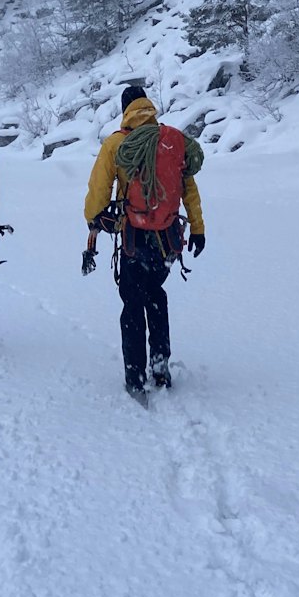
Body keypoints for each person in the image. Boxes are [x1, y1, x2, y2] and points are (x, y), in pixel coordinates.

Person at [84, 85, 206, 402]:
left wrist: (93, 219)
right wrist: (197, 228)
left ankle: (135, 377)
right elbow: (187, 186)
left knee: (132, 303)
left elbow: (99, 187)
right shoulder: (171, 139)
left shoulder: (117, 143)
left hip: (133, 236)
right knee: (156, 295)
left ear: (125, 109)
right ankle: (161, 367)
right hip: (167, 238)